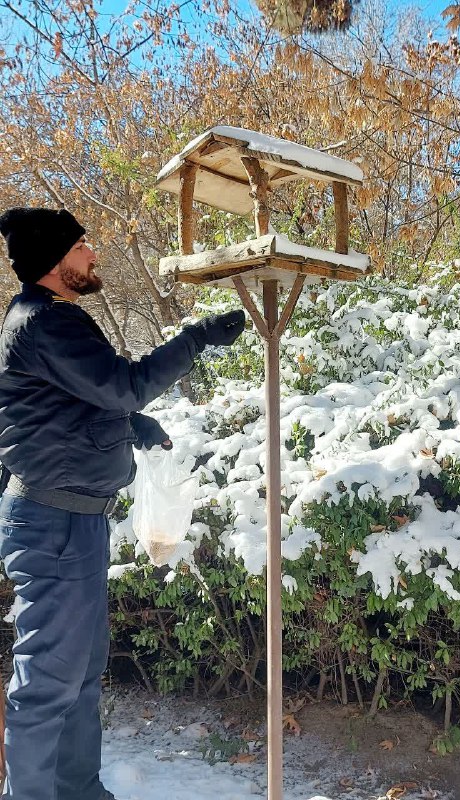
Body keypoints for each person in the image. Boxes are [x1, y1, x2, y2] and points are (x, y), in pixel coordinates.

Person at [0, 206, 245, 800]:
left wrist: (126, 425)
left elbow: (73, 402)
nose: (93, 255)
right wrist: (196, 339)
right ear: (56, 262)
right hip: (53, 523)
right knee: (49, 683)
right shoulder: (43, 322)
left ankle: (78, 791)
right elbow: (120, 383)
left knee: (79, 677)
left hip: (72, 522)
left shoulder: (46, 320)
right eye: (82, 246)